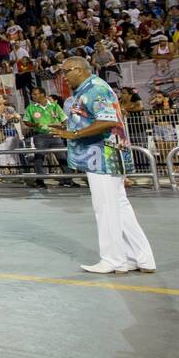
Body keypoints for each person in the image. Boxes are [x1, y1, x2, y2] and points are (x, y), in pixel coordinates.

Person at [52, 57, 156, 274]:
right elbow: (90, 118)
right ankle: (141, 257)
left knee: (105, 208)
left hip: (102, 156)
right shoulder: (86, 90)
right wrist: (66, 125)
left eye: (66, 71)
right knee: (119, 207)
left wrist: (74, 134)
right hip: (103, 154)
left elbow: (108, 120)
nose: (64, 76)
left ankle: (113, 260)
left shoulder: (95, 89)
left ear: (79, 70)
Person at [23, 85, 74, 187]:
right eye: (32, 94)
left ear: (42, 94)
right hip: (40, 136)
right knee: (39, 158)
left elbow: (64, 119)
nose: (33, 96)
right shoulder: (31, 107)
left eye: (35, 94)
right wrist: (35, 125)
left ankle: (68, 181)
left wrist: (63, 125)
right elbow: (26, 121)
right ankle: (40, 181)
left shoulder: (54, 106)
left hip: (55, 134)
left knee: (62, 157)